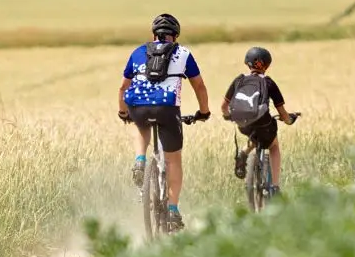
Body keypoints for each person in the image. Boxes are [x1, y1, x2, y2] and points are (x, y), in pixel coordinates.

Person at [117, 13, 210, 230]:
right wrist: (203, 112)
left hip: (138, 105)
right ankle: (173, 210)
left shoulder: (139, 52)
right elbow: (199, 86)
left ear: (153, 34)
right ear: (175, 36)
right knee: (173, 161)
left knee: (139, 123)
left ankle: (140, 159)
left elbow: (122, 87)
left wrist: (123, 112)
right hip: (167, 109)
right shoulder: (183, 53)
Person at [221, 46, 298, 197]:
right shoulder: (268, 82)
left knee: (255, 135)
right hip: (263, 122)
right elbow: (282, 113)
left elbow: (223, 107)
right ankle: (275, 187)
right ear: (267, 65)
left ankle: (243, 153)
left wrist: (229, 116)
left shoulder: (239, 80)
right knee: (273, 145)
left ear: (247, 63)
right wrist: (289, 120)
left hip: (242, 124)